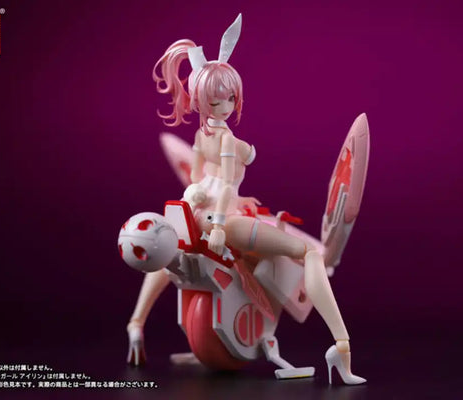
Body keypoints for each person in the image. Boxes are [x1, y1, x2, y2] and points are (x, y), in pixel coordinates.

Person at [127, 14, 364, 385]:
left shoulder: (201, 137)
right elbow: (223, 187)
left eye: (231, 97)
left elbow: (198, 178)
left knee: (172, 255)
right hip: (224, 221)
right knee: (309, 254)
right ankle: (341, 345)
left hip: (196, 213)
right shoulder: (224, 139)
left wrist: (214, 200)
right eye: (218, 99)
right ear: (202, 100)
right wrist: (222, 226)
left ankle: (136, 323)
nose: (227, 105)